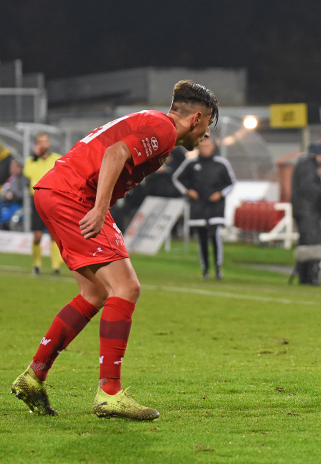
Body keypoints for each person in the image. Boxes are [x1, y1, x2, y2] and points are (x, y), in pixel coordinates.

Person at [11, 80, 219, 420]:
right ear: (196, 118)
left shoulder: (153, 122)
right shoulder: (164, 129)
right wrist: (98, 208)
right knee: (126, 287)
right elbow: (115, 153)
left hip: (57, 191)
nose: (207, 133)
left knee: (94, 292)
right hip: (75, 195)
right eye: (208, 123)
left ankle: (34, 376)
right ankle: (109, 393)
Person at [172, 137, 236, 280]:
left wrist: (220, 193)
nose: (205, 149)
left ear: (213, 147)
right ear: (199, 148)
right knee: (201, 238)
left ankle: (218, 268)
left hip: (215, 207)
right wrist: (188, 191)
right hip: (198, 206)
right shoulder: (191, 163)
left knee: (214, 235)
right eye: (203, 146)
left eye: (208, 146)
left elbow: (231, 183)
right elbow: (177, 178)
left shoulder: (221, 163)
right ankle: (205, 269)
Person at [290, 142, 321, 285]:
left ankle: (305, 276)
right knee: (311, 243)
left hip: (302, 210)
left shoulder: (302, 164)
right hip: (307, 211)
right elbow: (308, 187)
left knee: (305, 243)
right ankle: (310, 277)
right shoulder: (308, 166)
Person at [23, 133, 64, 275]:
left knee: (55, 234)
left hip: (53, 199)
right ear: (36, 144)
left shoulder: (57, 158)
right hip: (37, 199)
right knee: (38, 236)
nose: (43, 144)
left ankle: (56, 267)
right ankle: (36, 264)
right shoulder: (31, 161)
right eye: (40, 141)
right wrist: (35, 157)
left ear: (49, 143)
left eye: (45, 141)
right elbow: (28, 173)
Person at [0, 159, 29, 228]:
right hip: (6, 202)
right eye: (11, 167)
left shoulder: (23, 179)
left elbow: (23, 195)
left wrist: (13, 196)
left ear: (20, 168)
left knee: (6, 214)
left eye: (14, 167)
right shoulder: (12, 178)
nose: (11, 169)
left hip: (16, 204)